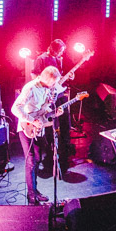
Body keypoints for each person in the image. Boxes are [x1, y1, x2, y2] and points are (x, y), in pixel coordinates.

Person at [10, 65, 64, 204]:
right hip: (26, 127)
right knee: (31, 160)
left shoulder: (50, 88)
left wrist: (54, 112)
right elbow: (15, 108)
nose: (54, 85)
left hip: (40, 126)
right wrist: (31, 120)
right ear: (46, 79)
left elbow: (45, 109)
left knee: (38, 158)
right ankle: (31, 194)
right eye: (53, 83)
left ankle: (35, 190)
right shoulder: (30, 88)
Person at [31, 39, 72, 172]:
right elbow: (34, 75)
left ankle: (65, 144)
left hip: (58, 94)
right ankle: (49, 147)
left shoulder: (57, 59)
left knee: (65, 118)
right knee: (49, 119)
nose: (61, 53)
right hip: (47, 95)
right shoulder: (41, 59)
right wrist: (45, 88)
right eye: (60, 50)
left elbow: (57, 77)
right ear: (53, 49)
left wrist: (68, 76)